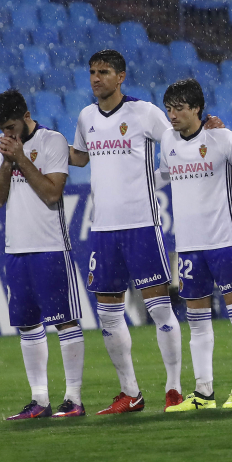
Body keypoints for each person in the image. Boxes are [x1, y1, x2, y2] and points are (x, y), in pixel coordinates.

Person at [69, 50, 183, 413]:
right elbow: (80, 157)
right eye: (92, 72)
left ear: (121, 77)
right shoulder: (86, 116)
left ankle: (174, 388)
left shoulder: (144, 112)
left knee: (160, 309)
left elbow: (177, 145)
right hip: (103, 230)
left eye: (103, 72)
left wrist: (162, 176)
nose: (95, 78)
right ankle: (130, 392)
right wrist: (36, 142)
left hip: (141, 226)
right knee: (107, 313)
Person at [154, 79, 232, 411]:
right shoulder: (167, 142)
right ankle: (204, 394)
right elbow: (163, 175)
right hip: (188, 247)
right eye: (169, 108)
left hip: (224, 241)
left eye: (180, 108)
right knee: (197, 324)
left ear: (197, 109)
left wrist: (226, 179)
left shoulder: (223, 138)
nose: (172, 115)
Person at [0, 90, 85, 420]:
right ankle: (39, 400)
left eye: (12, 127)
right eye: (3, 129)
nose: (8, 135)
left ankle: (73, 399)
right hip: (16, 249)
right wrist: (6, 159)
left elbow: (52, 194)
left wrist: (22, 158)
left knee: (65, 322)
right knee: (27, 326)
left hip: (50, 247)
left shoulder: (52, 142)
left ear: (26, 115)